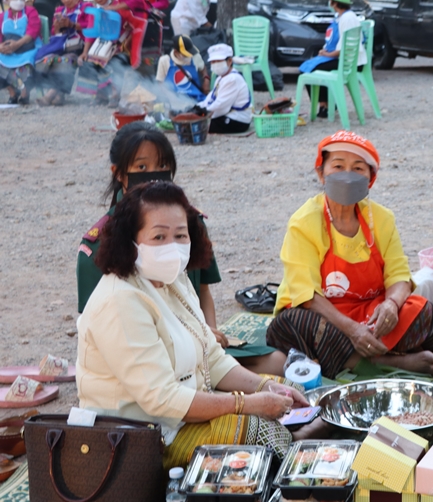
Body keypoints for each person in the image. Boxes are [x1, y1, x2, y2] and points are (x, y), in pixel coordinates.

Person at [77, 181, 310, 469]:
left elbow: (212, 357)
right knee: (262, 432)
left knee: (290, 391)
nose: (172, 247)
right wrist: (246, 403)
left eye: (180, 235)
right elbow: (161, 400)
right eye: (159, 237)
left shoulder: (174, 279)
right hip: (140, 440)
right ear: (130, 241)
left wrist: (264, 386)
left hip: (182, 416)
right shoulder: (119, 301)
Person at [76, 122, 285, 375]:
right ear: (119, 173)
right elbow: (100, 329)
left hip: (198, 341)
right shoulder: (99, 244)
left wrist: (209, 331)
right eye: (141, 167)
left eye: (163, 166)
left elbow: (203, 291)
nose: (153, 175)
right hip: (144, 354)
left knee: (279, 362)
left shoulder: (190, 224)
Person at [266, 131, 433, 379]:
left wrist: (391, 305)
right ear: (321, 173)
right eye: (338, 166)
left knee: (429, 316)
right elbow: (306, 295)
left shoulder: (382, 219)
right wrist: (352, 331)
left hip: (371, 313)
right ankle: (384, 361)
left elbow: (399, 276)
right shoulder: (304, 222)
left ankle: (355, 357)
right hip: (324, 315)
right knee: (291, 325)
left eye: (358, 169)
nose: (348, 176)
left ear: (370, 179)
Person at [298, 0, 366, 120]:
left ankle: (326, 104)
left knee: (309, 69)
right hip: (342, 58)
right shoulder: (342, 17)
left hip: (348, 62)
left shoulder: (347, 19)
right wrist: (325, 51)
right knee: (308, 65)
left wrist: (327, 55)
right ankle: (326, 104)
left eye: (330, 0)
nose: (329, 3)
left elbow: (346, 49)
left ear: (334, 3)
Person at [34, 0, 91, 106]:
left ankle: (49, 95)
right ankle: (59, 95)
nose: (65, 0)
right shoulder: (60, 10)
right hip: (62, 46)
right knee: (50, 59)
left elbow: (91, 28)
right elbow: (55, 34)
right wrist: (58, 27)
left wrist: (72, 25)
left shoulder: (86, 7)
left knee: (66, 60)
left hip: (80, 46)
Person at [74, 0, 127, 106]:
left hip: (118, 44)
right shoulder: (95, 11)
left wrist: (119, 43)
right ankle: (101, 94)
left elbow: (126, 29)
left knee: (112, 61)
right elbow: (90, 34)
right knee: (89, 60)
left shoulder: (118, 6)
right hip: (101, 44)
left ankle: (115, 94)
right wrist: (85, 52)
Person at [195, 43, 252, 134]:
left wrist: (203, 113)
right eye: (213, 62)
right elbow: (211, 98)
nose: (215, 64)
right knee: (196, 120)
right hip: (226, 114)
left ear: (229, 61)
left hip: (238, 120)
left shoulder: (232, 79)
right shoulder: (220, 78)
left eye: (218, 61)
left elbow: (221, 105)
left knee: (199, 125)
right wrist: (199, 106)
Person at [0, 0, 41, 105]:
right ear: (6, 0)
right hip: (8, 50)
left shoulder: (30, 11)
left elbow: (33, 31)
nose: (18, 0)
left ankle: (24, 92)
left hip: (28, 47)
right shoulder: (2, 16)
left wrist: (17, 44)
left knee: (25, 66)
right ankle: (13, 92)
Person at [156, 35, 208, 102]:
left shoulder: (195, 57)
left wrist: (206, 79)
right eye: (185, 55)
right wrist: (170, 97)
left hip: (196, 99)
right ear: (176, 52)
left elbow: (203, 68)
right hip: (175, 100)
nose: (189, 56)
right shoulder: (164, 60)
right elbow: (160, 83)